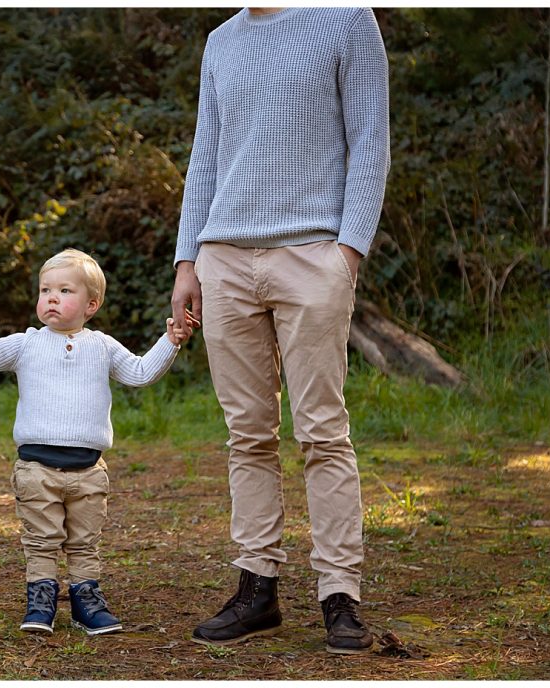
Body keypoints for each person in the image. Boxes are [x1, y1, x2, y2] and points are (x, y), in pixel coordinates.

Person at [170, 7, 390, 654]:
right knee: (247, 434)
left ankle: (339, 594)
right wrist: (189, 259)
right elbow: (204, 155)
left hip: (312, 256)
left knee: (322, 429)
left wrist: (347, 252)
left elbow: (370, 139)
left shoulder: (348, 19)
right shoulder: (221, 42)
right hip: (225, 259)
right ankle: (257, 586)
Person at [0, 249, 190, 635]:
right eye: (46, 289)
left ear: (91, 305)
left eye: (65, 290)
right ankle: (41, 599)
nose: (52, 297)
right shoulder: (27, 343)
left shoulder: (102, 346)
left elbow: (141, 372)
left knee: (84, 541)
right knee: (41, 540)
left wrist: (170, 341)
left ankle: (85, 599)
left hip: (89, 471)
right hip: (36, 470)